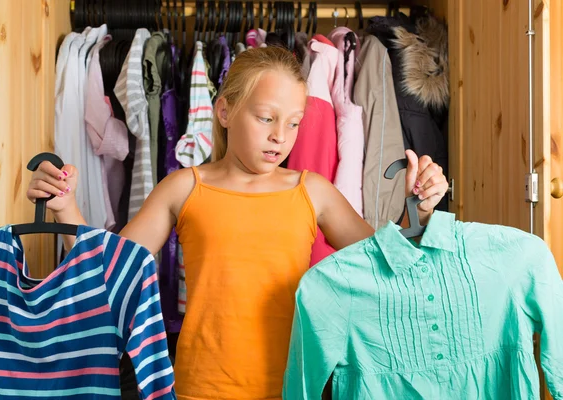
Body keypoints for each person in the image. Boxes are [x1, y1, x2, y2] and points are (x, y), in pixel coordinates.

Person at [27, 46, 449, 400]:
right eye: (266, 118)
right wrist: (66, 208)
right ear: (225, 111)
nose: (280, 136)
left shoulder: (312, 190)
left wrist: (419, 207)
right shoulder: (183, 187)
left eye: (294, 122)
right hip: (200, 388)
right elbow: (107, 270)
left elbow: (386, 264)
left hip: (295, 387)